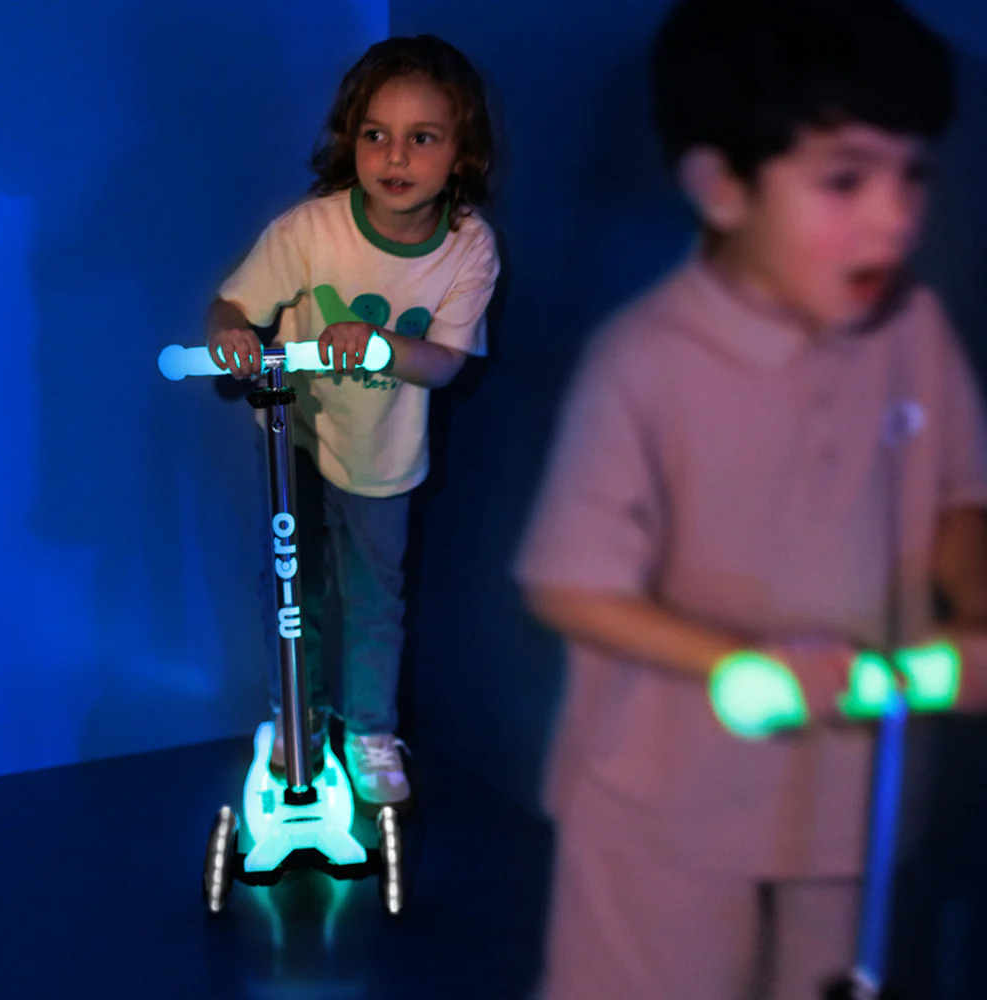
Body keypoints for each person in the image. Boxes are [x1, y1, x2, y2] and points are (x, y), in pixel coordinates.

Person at [515, 1, 987, 996]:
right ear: (723, 186)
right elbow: (568, 579)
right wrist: (739, 665)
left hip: (847, 799)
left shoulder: (913, 332)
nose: (895, 216)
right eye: (845, 180)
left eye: (911, 176)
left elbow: (957, 499)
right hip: (662, 806)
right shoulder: (647, 361)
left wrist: (975, 612)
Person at [207, 35, 499, 812]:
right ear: (351, 140)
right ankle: (295, 718)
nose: (395, 156)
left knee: (374, 598)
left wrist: (379, 344)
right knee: (292, 583)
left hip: (382, 452)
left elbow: (446, 362)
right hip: (295, 436)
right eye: (376, 134)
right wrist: (231, 336)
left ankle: (371, 731)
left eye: (422, 137)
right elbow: (231, 305)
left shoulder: (469, 247)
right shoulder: (310, 230)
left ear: (462, 153)